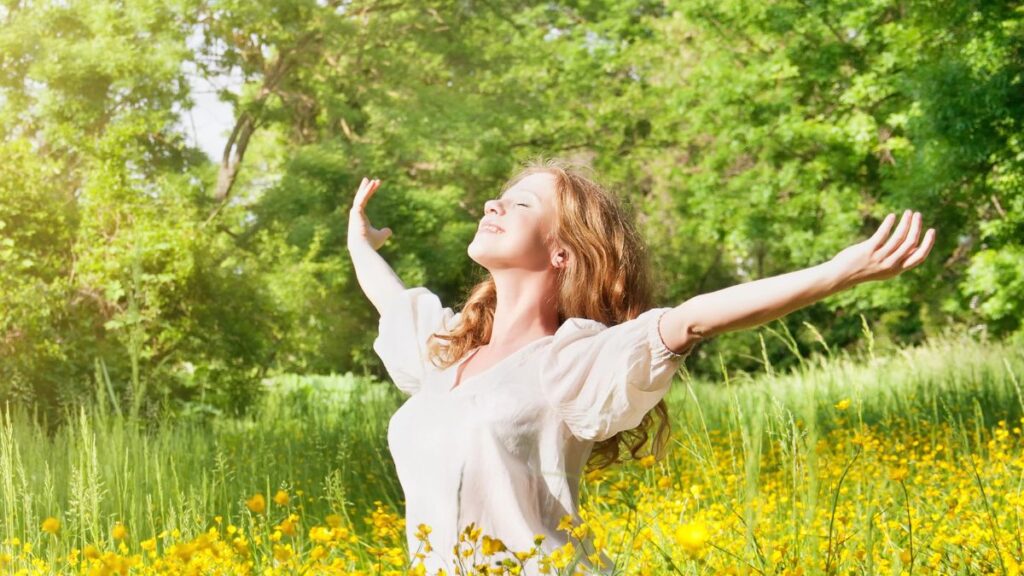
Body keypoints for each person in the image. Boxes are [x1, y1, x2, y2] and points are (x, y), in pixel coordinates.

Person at [346, 157, 936, 575]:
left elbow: (692, 319)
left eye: (521, 203)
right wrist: (360, 244)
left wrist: (836, 272)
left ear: (562, 252)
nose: (492, 203)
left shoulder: (571, 360)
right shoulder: (448, 356)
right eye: (501, 196)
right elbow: (394, 301)